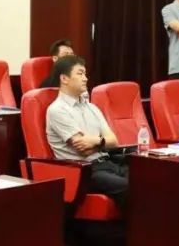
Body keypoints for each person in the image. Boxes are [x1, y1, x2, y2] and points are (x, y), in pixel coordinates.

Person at [45, 55, 129, 210]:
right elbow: (83, 150)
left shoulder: (92, 107)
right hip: (85, 171)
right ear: (64, 78)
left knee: (148, 180)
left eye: (85, 74)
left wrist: (96, 141)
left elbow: (114, 141)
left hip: (109, 163)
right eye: (80, 73)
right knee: (130, 188)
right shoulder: (57, 110)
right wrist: (103, 142)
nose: (85, 78)